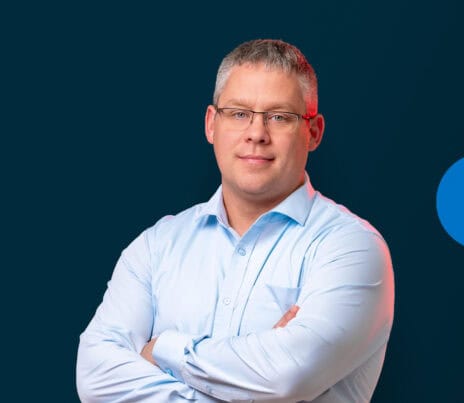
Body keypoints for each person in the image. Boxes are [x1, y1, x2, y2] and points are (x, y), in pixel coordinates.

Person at [76, 39, 395, 403]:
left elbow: (285, 378)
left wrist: (163, 349)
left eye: (279, 117)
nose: (256, 134)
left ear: (313, 132)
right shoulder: (156, 246)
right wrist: (252, 374)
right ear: (212, 124)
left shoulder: (352, 248)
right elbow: (95, 379)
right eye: (239, 113)